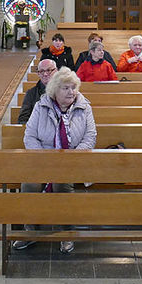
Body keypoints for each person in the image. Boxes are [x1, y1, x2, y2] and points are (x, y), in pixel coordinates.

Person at [16, 68, 97, 254]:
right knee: (29, 184)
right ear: (54, 90)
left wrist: (72, 157)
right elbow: (29, 136)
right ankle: (29, 232)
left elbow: (90, 136)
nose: (71, 92)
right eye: (66, 88)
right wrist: (44, 158)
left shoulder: (84, 107)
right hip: (42, 160)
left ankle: (66, 233)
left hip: (72, 161)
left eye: (73, 87)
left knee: (63, 184)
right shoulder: (41, 106)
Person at [18, 59, 57, 124]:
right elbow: (23, 119)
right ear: (38, 74)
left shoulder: (64, 91)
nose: (45, 74)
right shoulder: (31, 93)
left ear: (56, 71)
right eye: (41, 71)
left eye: (49, 70)